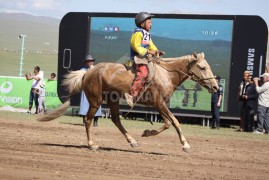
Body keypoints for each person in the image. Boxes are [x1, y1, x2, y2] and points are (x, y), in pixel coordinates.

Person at [124, 12, 165, 107]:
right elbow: (136, 47)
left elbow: (152, 46)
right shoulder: (138, 33)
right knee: (143, 73)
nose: (151, 24)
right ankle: (131, 95)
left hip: (145, 58)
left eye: (151, 22)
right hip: (138, 58)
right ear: (142, 24)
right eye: (149, 22)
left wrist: (157, 51)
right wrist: (150, 52)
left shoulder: (147, 34)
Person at [78, 55, 102, 127]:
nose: (90, 62)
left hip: (95, 90)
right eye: (88, 61)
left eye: (91, 61)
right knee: (84, 105)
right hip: (86, 90)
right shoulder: (82, 70)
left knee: (96, 105)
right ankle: (84, 121)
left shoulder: (97, 69)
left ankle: (95, 121)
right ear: (86, 62)